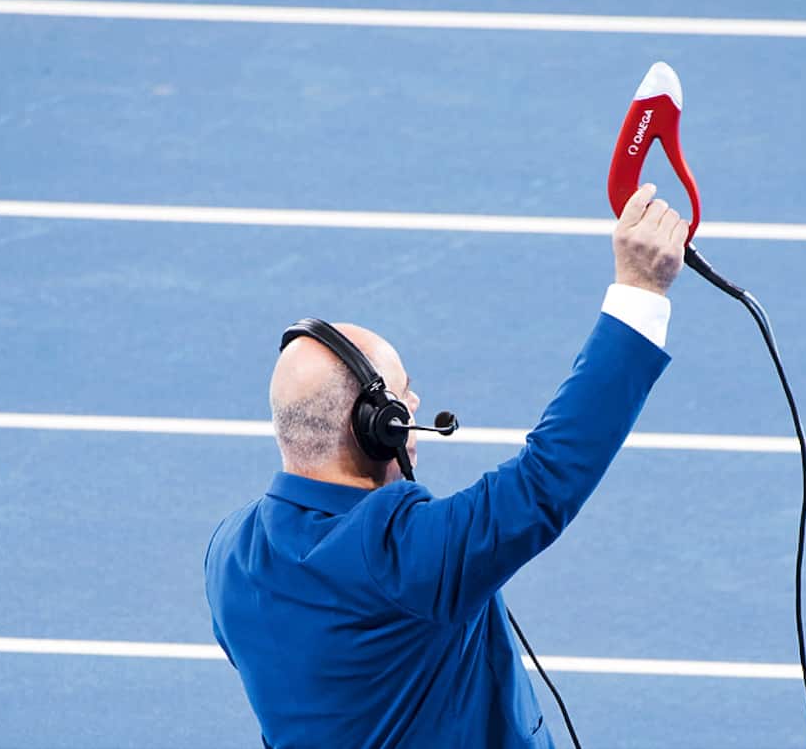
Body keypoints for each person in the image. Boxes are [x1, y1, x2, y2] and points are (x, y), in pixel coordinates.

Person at [205, 183, 686, 748]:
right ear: (377, 425)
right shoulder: (400, 557)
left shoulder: (228, 553)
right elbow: (547, 480)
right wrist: (639, 291)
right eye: (404, 398)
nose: (413, 407)